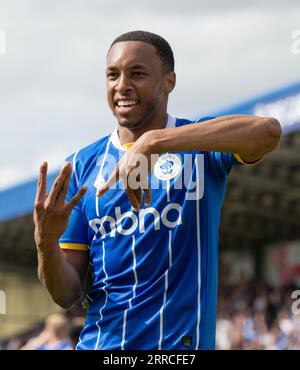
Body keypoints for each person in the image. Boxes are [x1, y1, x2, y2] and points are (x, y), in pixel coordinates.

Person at [33, 30, 282, 350]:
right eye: (113, 75)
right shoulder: (82, 166)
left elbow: (267, 132)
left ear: (169, 81)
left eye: (137, 73)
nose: (122, 85)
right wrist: (46, 244)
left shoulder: (198, 146)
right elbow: (65, 293)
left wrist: (155, 141)